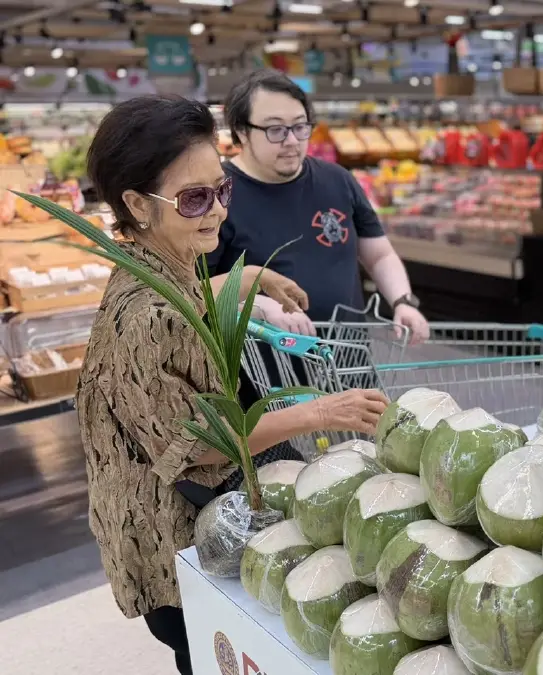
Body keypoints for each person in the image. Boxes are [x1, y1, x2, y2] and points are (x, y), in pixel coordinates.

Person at [75, 95, 390, 674]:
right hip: (179, 542)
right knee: (207, 654)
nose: (216, 211)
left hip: (198, 527)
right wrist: (320, 412)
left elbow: (190, 308)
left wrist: (247, 278)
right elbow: (200, 442)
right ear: (136, 204)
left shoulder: (161, 265)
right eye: (194, 198)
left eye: (222, 190)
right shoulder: (146, 313)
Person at [206, 70, 428, 341]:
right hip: (258, 375)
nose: (291, 141)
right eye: (275, 130)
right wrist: (251, 306)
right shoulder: (216, 195)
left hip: (345, 364)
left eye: (300, 127)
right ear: (242, 131)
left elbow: (379, 254)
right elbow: (195, 292)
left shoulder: (337, 180)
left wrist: (402, 300)